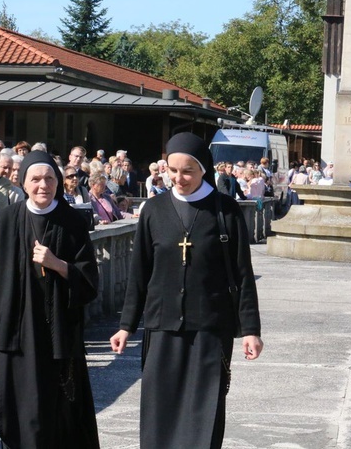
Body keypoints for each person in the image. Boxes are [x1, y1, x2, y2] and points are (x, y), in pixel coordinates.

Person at [110, 132, 262, 449]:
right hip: (161, 325)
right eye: (172, 170)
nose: (179, 178)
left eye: (187, 171)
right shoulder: (153, 210)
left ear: (203, 169)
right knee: (159, 410)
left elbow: (243, 275)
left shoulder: (225, 211)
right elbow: (139, 273)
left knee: (204, 410)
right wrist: (126, 325)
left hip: (210, 327)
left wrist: (250, 329)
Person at [0, 150, 100, 448]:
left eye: (50, 178)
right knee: (16, 416)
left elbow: (89, 284)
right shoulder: (10, 219)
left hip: (57, 339)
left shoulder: (72, 222)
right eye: (35, 179)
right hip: (14, 336)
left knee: (58, 419)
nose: (43, 185)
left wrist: (57, 264)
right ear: (23, 183)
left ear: (59, 182)